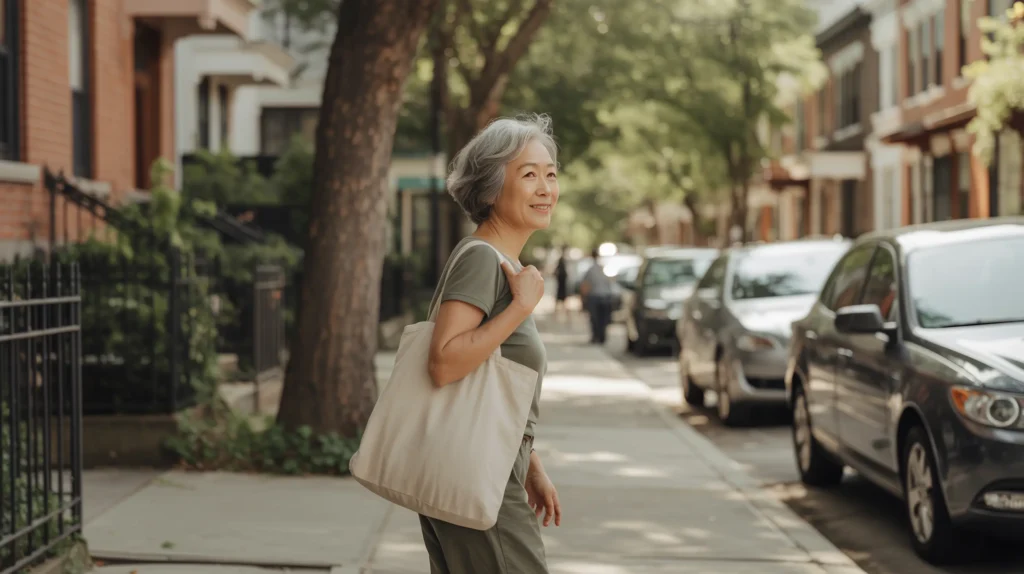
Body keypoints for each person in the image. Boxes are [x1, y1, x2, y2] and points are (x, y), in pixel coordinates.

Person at [423, 114, 561, 573]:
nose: (545, 188)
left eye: (550, 175)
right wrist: (519, 308)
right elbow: (444, 363)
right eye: (529, 175)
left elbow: (493, 380)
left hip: (492, 461)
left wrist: (531, 464)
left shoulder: (499, 260)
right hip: (480, 467)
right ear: (489, 190)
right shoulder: (483, 260)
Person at [579, 248, 615, 344]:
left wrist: (583, 298)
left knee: (595, 318)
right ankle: (602, 336)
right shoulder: (604, 268)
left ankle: (596, 336)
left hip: (595, 297)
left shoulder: (591, 270)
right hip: (606, 297)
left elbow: (585, 285)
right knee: (603, 318)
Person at [554, 251, 569, 321]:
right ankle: (563, 310)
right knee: (563, 298)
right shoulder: (563, 269)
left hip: (561, 285)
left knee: (559, 298)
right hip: (562, 285)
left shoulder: (560, 269)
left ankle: (558, 310)